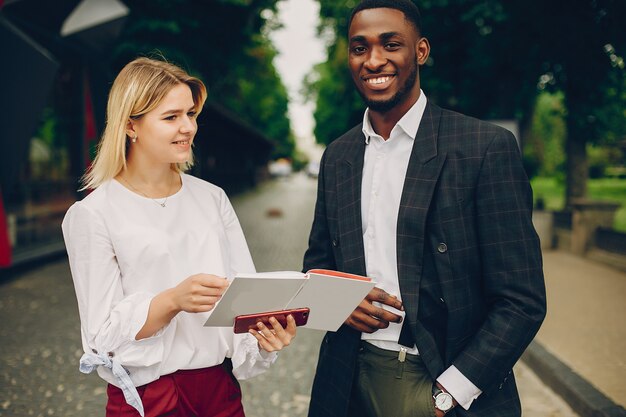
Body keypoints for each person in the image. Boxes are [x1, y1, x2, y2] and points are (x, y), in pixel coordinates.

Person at [303, 1, 546, 416]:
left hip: (443, 383)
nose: (374, 60)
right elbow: (315, 267)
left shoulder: (483, 148)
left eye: (391, 44)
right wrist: (338, 301)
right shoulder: (338, 156)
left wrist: (450, 393)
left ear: (420, 51)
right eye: (359, 48)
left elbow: (522, 300)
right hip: (345, 381)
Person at [62, 57, 297, 417]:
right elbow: (101, 337)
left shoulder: (212, 197)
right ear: (130, 126)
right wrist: (172, 300)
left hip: (221, 392)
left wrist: (264, 340)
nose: (188, 127)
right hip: (150, 398)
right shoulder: (93, 214)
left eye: (191, 114)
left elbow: (245, 298)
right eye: (171, 117)